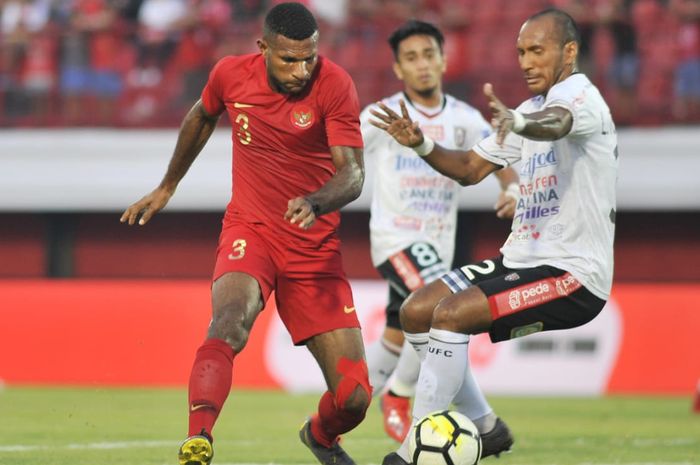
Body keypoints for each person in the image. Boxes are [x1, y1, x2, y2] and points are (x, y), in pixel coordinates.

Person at [120, 4, 370, 465]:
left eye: (309, 59)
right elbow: (200, 116)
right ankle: (199, 439)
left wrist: (315, 201)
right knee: (230, 322)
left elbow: (353, 175)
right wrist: (167, 186)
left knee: (354, 398)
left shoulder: (335, 84)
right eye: (289, 60)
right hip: (250, 230)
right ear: (262, 49)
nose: (301, 71)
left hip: (313, 248)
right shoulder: (230, 75)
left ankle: (320, 435)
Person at [370, 8, 617, 465]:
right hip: (521, 259)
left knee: (450, 315)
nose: (525, 61)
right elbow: (468, 170)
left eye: (537, 50)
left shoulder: (582, 100)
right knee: (417, 309)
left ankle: (409, 455)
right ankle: (486, 427)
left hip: (573, 273)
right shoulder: (525, 111)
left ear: (569, 51)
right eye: (521, 51)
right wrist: (420, 143)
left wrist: (520, 125)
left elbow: (557, 124)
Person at [359, 20, 518, 456]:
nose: (422, 65)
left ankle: (332, 418)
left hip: (438, 244)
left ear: (443, 60)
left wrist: (511, 188)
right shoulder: (381, 116)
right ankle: (483, 422)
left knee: (399, 331)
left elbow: (499, 158)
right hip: (396, 240)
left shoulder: (465, 120)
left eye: (429, 54)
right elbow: (339, 153)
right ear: (398, 68)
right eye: (411, 58)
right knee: (438, 318)